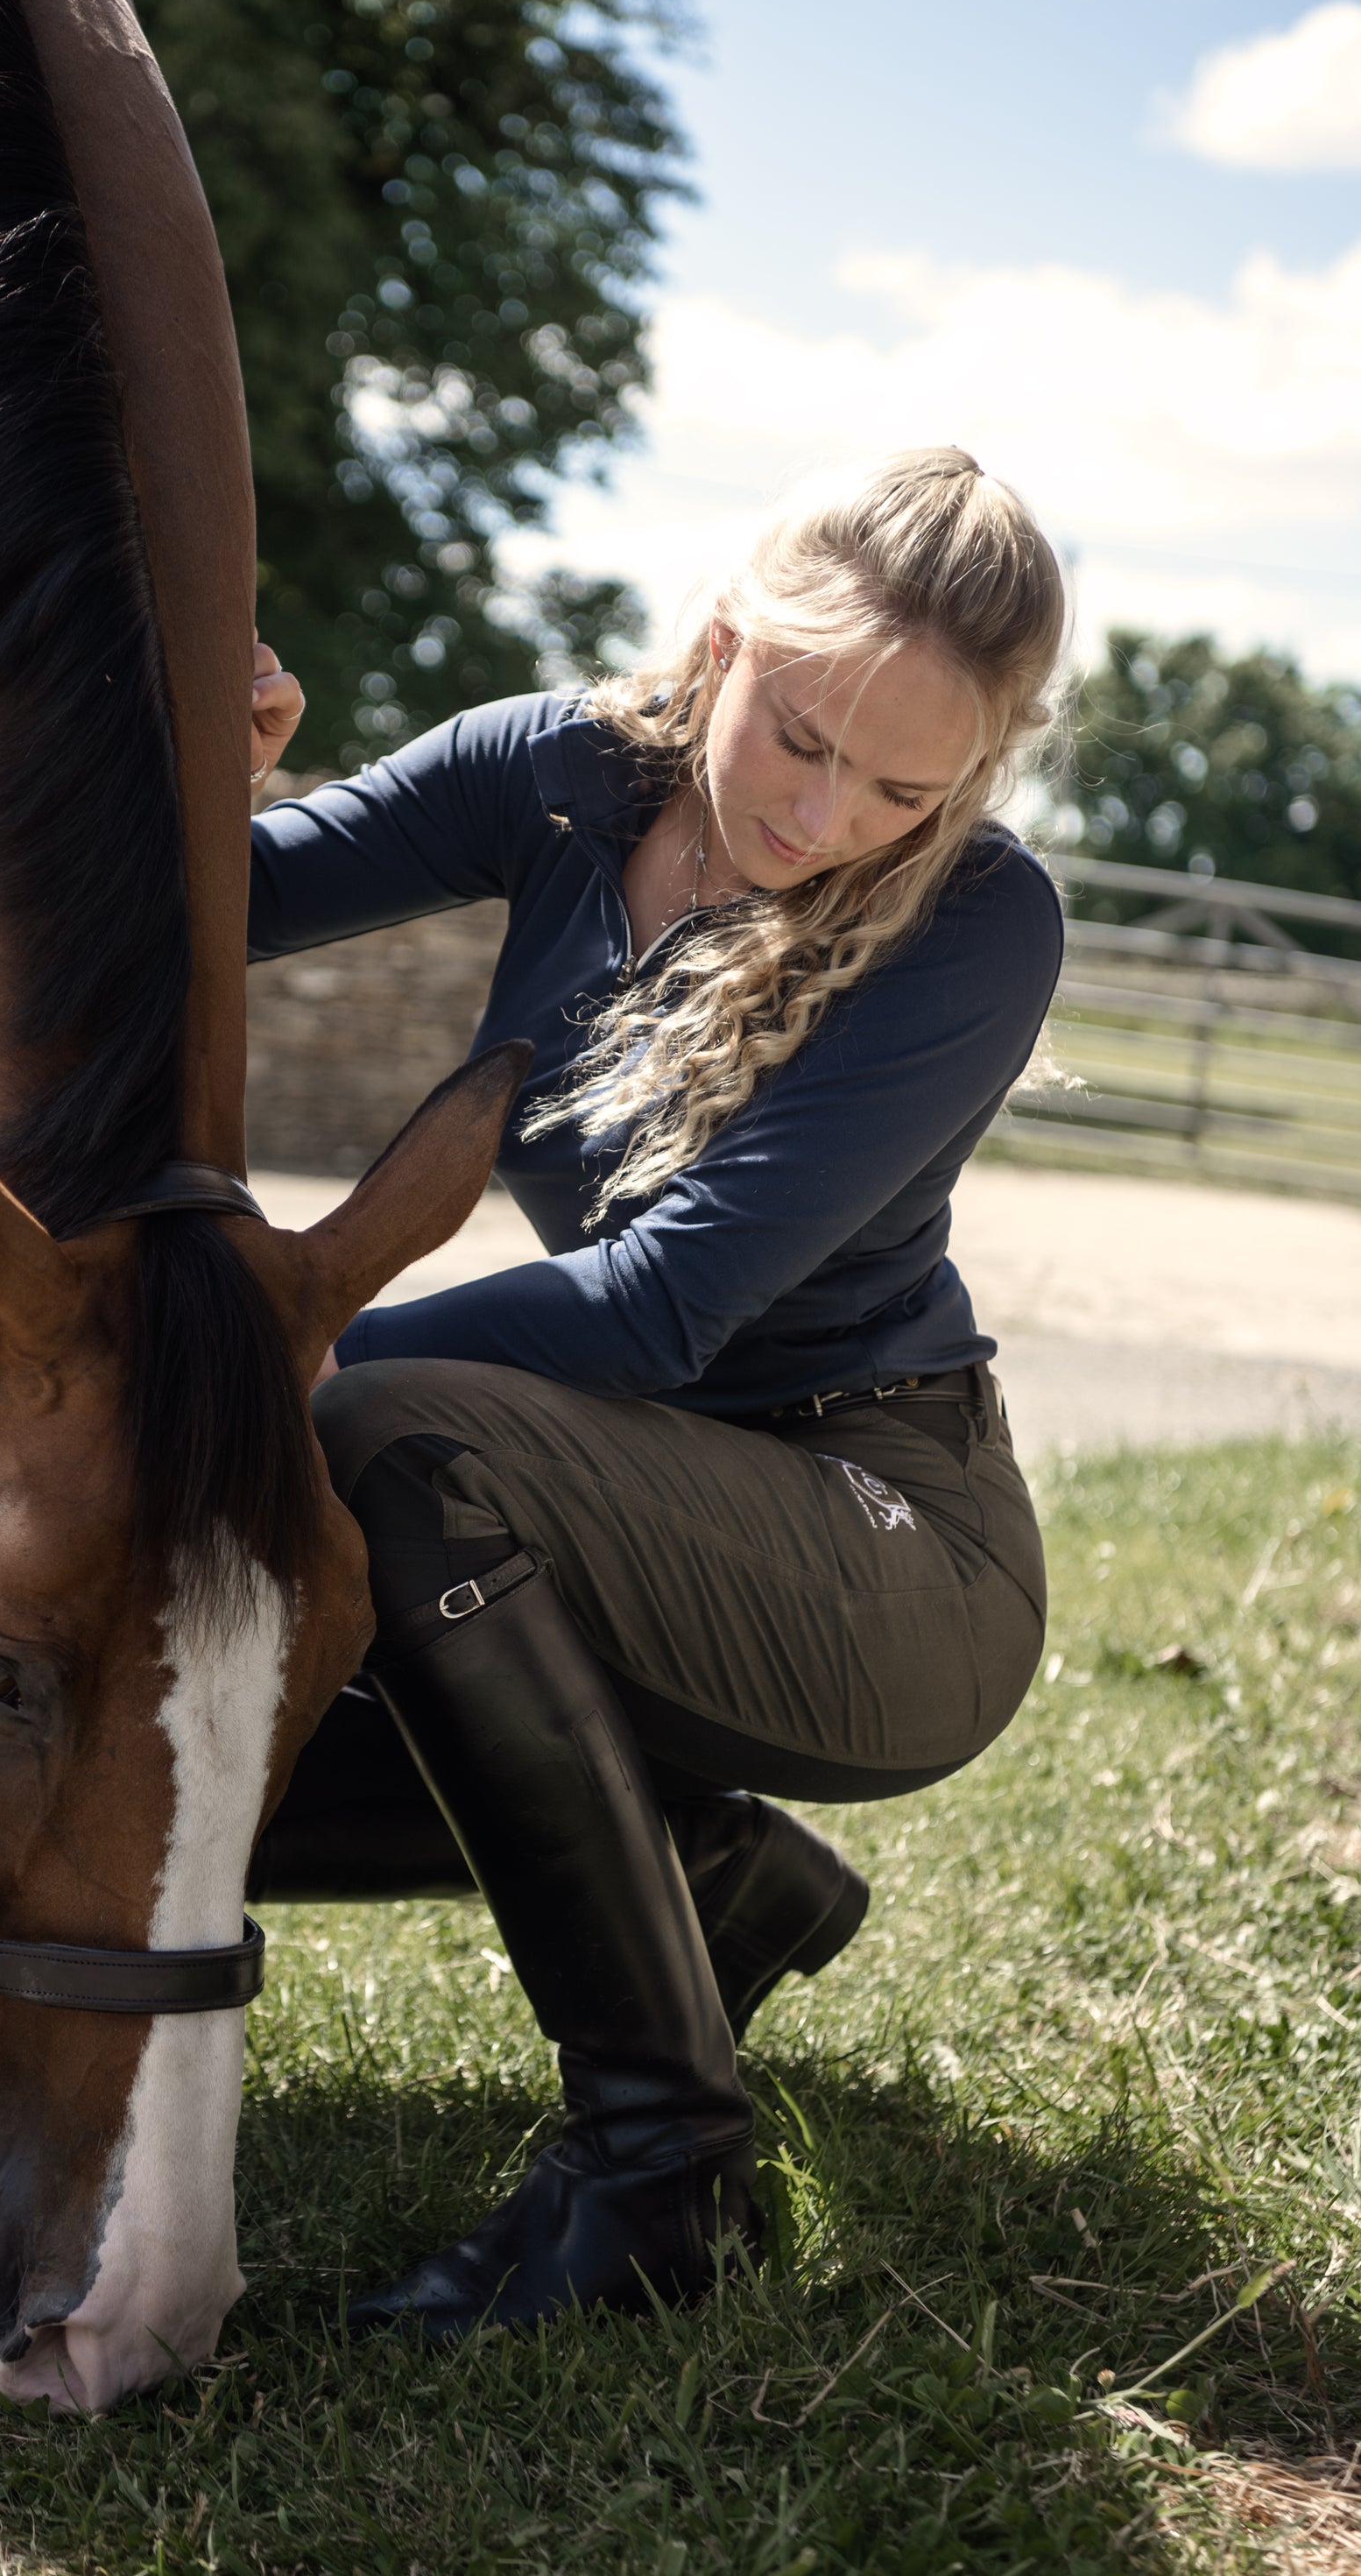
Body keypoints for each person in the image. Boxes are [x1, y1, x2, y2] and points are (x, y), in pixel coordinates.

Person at [243, 447, 1066, 2340]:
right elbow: (218, 902)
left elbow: (655, 1312)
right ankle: (717, 1881)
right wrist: (201, 769)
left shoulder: (975, 922)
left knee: (388, 1431)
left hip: (886, 1551)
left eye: (898, 785)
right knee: (225, 1781)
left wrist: (255, 1369)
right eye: (796, 738)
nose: (822, 812)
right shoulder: (558, 776)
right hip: (615, 1517)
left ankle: (660, 2180)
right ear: (721, 645)